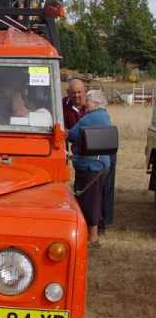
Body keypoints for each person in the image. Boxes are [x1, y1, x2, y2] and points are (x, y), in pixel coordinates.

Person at [68, 89, 112, 245]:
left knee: (89, 201)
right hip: (101, 165)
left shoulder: (90, 118)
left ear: (96, 103)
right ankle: (93, 233)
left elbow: (71, 135)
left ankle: (92, 238)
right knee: (96, 199)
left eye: (88, 100)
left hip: (90, 166)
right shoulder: (105, 116)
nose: (85, 103)